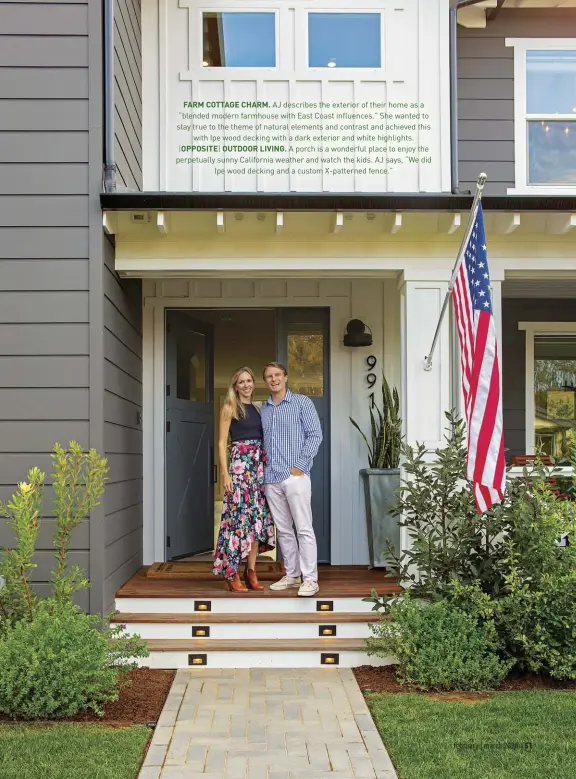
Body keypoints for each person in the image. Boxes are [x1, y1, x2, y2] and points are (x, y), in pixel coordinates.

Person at [260, 362, 323, 597]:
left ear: (285, 377)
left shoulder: (301, 403)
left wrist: (300, 466)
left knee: (304, 528)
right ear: (265, 381)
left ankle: (310, 579)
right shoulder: (264, 408)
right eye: (269, 376)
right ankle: (292, 574)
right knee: (284, 530)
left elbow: (315, 435)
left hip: (295, 476)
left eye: (277, 375)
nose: (273, 379)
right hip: (271, 477)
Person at [213, 367, 275, 592]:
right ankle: (232, 573)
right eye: (242, 382)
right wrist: (225, 473)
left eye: (249, 380)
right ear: (235, 386)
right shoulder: (230, 407)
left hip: (258, 472)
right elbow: (221, 443)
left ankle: (251, 571)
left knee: (256, 522)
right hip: (240, 470)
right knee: (237, 522)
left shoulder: (258, 410)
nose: (246, 385)